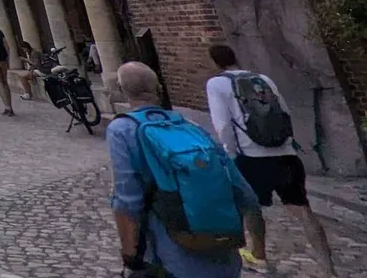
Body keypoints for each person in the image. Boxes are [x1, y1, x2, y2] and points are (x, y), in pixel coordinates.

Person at [109, 62, 261, 278]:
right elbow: (245, 193)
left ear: (122, 90)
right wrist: (258, 246)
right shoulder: (190, 125)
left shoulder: (122, 129)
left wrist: (130, 257)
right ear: (158, 88)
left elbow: (127, 201)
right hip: (224, 252)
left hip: (173, 254)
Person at [205, 43, 336, 276]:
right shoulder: (263, 79)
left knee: (251, 208)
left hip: (251, 156)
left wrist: (230, 154)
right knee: (303, 210)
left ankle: (259, 256)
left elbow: (223, 124)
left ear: (214, 62)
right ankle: (328, 269)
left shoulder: (217, 84)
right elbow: (284, 112)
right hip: (285, 154)